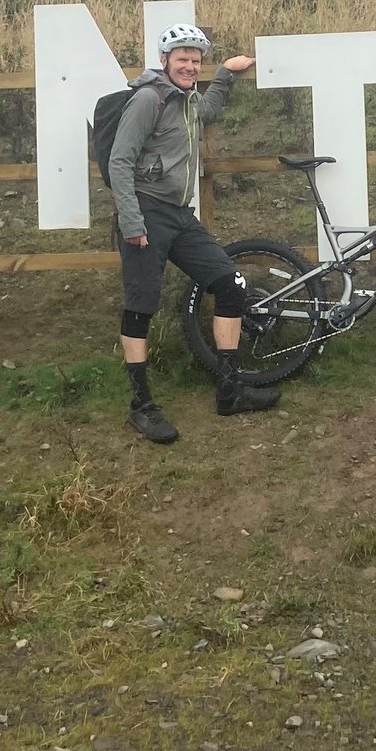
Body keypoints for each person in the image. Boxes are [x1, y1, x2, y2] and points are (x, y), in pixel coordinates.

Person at [111, 23, 279, 443]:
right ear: (164, 60)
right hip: (146, 213)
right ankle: (141, 405)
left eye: (196, 60)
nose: (189, 66)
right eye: (182, 58)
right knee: (141, 306)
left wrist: (226, 72)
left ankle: (229, 388)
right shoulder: (148, 100)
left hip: (180, 216)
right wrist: (132, 223)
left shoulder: (187, 101)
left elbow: (208, 112)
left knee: (230, 284)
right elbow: (120, 162)